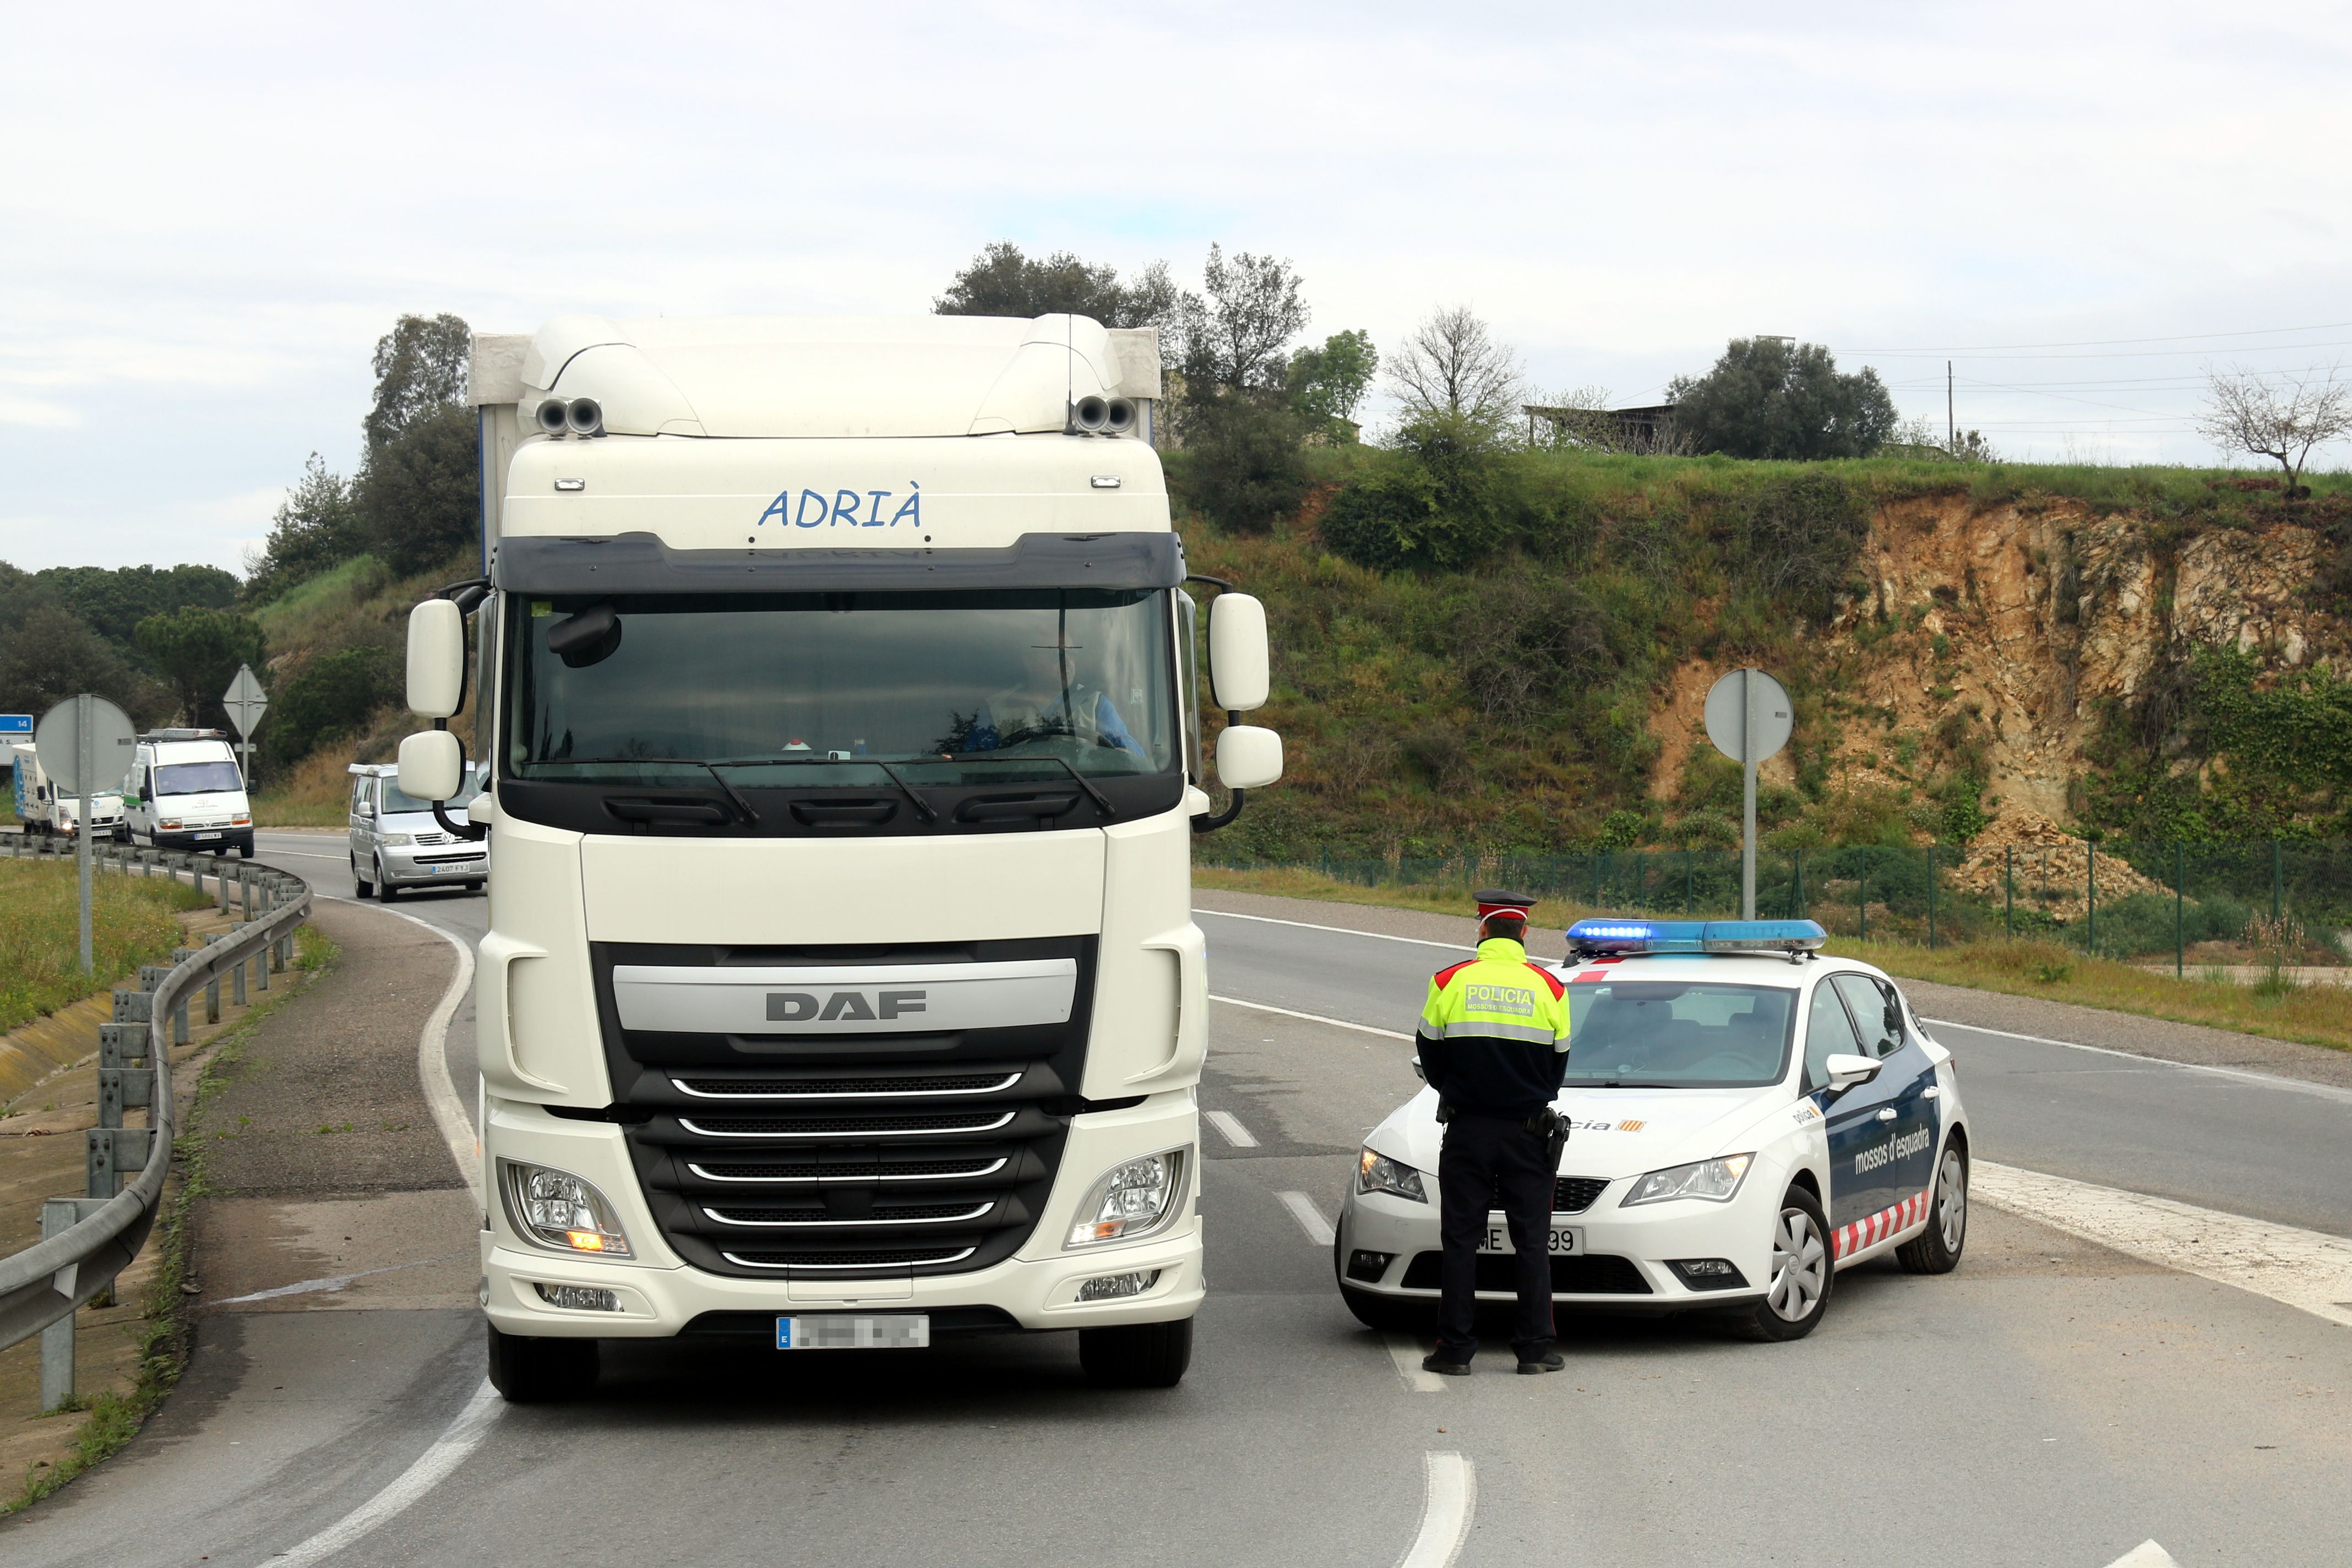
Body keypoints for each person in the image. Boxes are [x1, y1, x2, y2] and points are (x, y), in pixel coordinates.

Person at [1415, 889, 1572, 1376]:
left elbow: (1430, 1053)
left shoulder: (1448, 981)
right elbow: (1557, 1067)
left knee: (1461, 1241)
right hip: (1529, 1135)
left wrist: (1462, 1092)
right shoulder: (1551, 988)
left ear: (1482, 930)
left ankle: (1455, 1351)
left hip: (1467, 1131)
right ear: (1524, 933)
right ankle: (1535, 1350)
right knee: (1532, 1241)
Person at [965, 635, 1140, 755]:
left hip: (1087, 794)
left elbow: (1130, 754)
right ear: (1029, 662)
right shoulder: (995, 708)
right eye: (1056, 654)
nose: (1067, 661)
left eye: (1072, 653)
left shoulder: (1095, 704)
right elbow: (975, 765)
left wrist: (1128, 754)